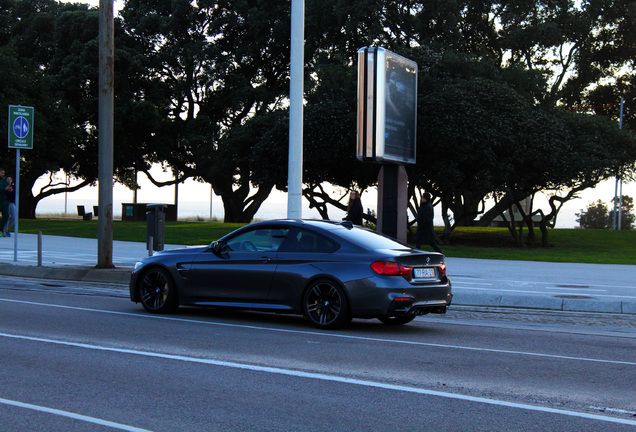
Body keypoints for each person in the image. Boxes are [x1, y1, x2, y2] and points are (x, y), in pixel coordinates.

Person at [0, 168, 10, 237]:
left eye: (3, 173)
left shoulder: (4, 181)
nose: (3, 174)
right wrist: (4, 189)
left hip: (5, 201)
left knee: (6, 215)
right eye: (1, 173)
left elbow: (7, 189)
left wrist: (9, 190)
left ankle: (1, 230)